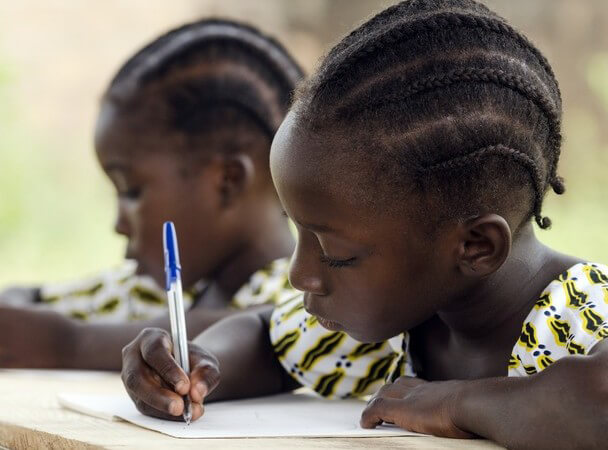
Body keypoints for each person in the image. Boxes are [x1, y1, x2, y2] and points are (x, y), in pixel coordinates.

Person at [119, 2, 608, 448]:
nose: (299, 275)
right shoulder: (405, 318)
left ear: (476, 245)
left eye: (337, 254)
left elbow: (596, 403)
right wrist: (195, 367)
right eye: (298, 231)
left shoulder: (582, 316)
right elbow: (267, 338)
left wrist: (450, 404)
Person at [0, 18, 304, 370]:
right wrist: (1, 318)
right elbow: (32, 297)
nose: (118, 224)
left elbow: (262, 331)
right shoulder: (145, 294)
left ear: (227, 181)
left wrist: (69, 344)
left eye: (132, 192)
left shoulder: (303, 296)